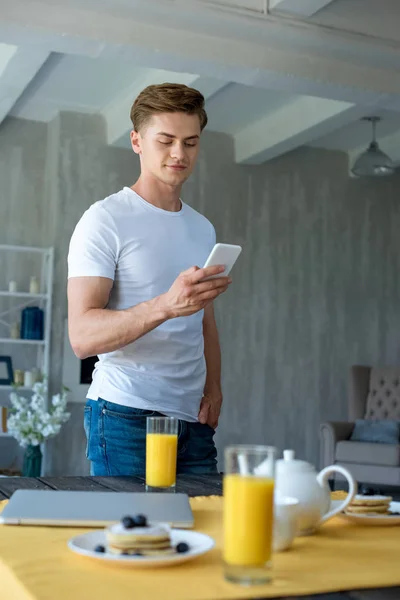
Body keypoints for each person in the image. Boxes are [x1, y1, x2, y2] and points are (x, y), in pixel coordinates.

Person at [67, 83, 231, 476]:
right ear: (137, 141)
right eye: (166, 140)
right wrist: (165, 305)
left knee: (201, 534)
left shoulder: (201, 228)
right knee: (135, 537)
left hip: (193, 419)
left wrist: (214, 389)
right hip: (125, 416)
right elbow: (82, 337)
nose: (179, 153)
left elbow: (203, 319)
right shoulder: (104, 220)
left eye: (190, 142)